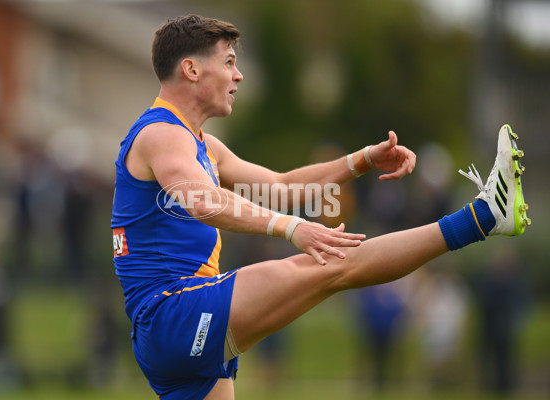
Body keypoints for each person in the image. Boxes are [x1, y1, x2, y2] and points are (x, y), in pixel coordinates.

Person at [110, 14, 530, 400]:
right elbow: (202, 200)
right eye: (230, 62)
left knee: (333, 263)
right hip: (175, 312)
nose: (238, 75)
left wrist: (361, 160)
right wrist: (292, 229)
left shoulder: (200, 143)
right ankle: (485, 216)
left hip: (175, 323)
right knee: (334, 264)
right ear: (192, 69)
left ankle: (487, 216)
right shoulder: (162, 134)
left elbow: (281, 186)